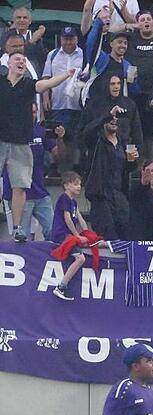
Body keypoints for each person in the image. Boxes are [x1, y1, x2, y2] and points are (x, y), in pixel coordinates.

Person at [1, 52, 74, 243]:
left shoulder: (28, 85)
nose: (21, 62)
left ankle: (17, 228)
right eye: (17, 59)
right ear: (8, 63)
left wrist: (66, 74)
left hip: (21, 143)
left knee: (20, 186)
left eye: (24, 60)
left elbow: (45, 85)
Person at [2, 105, 64, 241]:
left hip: (40, 191)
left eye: (35, 112)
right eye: (29, 112)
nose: (32, 115)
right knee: (22, 237)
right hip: (18, 193)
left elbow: (58, 156)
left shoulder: (40, 131)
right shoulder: (8, 132)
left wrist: (60, 138)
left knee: (54, 232)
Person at [83, 104, 137, 240]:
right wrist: (108, 114)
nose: (114, 121)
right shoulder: (96, 140)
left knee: (126, 234)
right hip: (101, 195)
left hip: (119, 194)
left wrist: (133, 160)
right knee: (107, 236)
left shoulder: (123, 142)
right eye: (111, 119)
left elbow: (128, 169)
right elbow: (88, 131)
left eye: (116, 119)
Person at [43, 26, 84, 156]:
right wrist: (45, 97)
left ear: (76, 39)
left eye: (71, 39)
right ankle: (57, 169)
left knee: (75, 140)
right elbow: (46, 77)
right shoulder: (52, 55)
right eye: (65, 39)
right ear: (61, 39)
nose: (68, 42)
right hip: (57, 105)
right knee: (56, 139)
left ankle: (75, 169)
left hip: (77, 105)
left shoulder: (84, 55)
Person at [51, 171, 89, 301]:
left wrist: (88, 233)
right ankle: (61, 286)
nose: (79, 187)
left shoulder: (74, 202)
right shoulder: (64, 198)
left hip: (69, 235)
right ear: (66, 185)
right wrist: (77, 236)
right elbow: (67, 219)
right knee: (81, 259)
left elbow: (80, 219)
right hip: (62, 235)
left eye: (80, 184)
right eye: (75, 184)